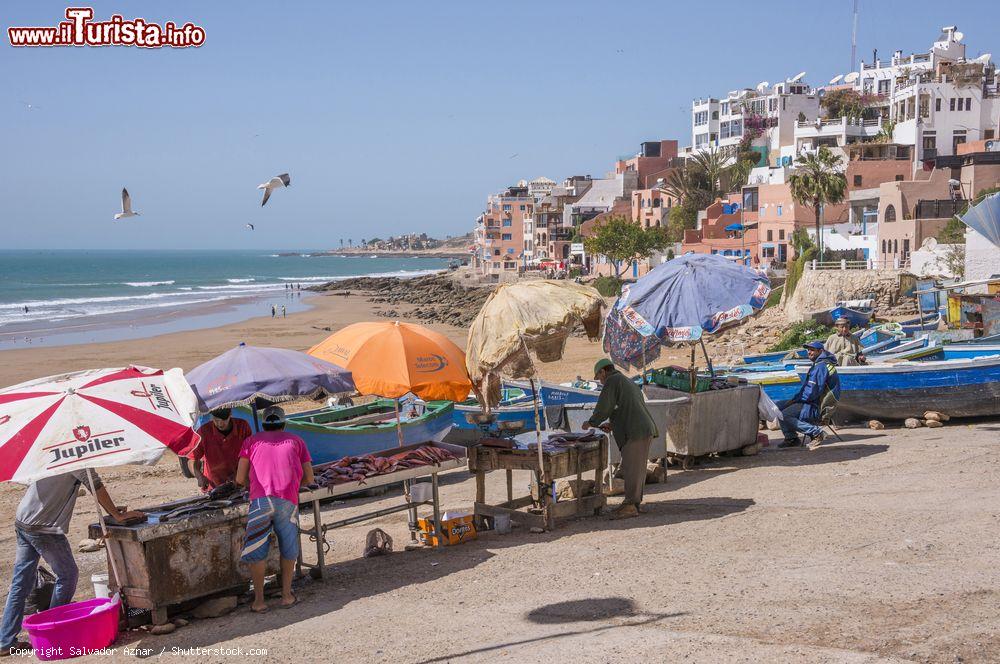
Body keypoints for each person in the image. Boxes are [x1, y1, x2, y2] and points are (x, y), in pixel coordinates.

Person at [1, 471, 142, 656]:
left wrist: (113, 511)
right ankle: (53, 630)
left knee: (21, 583)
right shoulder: (76, 456)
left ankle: (5, 641)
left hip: (24, 519)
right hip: (43, 526)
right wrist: (115, 514)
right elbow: (95, 485)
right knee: (68, 575)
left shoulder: (54, 451)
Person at [236, 406, 313, 613]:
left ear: (262, 424)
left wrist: (252, 486)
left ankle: (259, 601)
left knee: (257, 550)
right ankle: (287, 596)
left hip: (260, 502)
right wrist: (294, 485)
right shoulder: (297, 441)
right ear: (284, 423)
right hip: (287, 501)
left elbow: (239, 478)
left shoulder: (251, 442)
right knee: (289, 548)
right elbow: (310, 477)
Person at [584, 359, 659, 520]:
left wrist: (591, 422)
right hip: (642, 429)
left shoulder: (612, 380)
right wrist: (612, 424)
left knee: (632, 470)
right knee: (636, 470)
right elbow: (626, 406)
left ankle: (630, 505)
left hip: (635, 431)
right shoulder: (626, 380)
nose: (601, 382)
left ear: (603, 372)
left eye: (599, 378)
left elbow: (605, 405)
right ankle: (634, 503)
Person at [779, 341, 841, 450]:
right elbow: (808, 390)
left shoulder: (821, 366)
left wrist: (795, 400)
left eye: (812, 350)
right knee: (777, 407)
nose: (809, 352)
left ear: (820, 351)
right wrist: (795, 399)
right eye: (808, 350)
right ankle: (791, 438)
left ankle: (817, 433)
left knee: (784, 414)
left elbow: (811, 392)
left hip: (818, 405)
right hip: (813, 401)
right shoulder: (819, 364)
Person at [190, 408, 252, 491]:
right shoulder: (203, 431)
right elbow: (192, 459)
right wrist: (199, 476)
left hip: (241, 484)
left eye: (224, 419)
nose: (220, 424)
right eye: (216, 420)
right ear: (212, 417)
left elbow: (251, 455)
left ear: (230, 414)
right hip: (214, 486)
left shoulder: (243, 426)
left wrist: (241, 474)